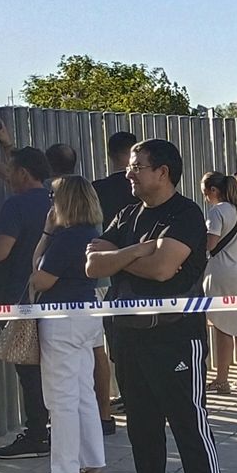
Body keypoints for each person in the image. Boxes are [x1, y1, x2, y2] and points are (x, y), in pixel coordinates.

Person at [86, 138, 227, 473]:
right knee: (142, 429)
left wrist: (124, 257)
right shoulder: (127, 215)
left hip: (174, 339)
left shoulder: (185, 215)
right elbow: (93, 263)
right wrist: (140, 249)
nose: (128, 173)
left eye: (137, 167)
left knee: (189, 426)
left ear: (162, 172)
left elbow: (165, 269)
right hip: (128, 336)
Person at [25, 175, 107, 473]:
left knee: (60, 397)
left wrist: (46, 233)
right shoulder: (89, 233)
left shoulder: (66, 237)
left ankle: (63, 472)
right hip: (86, 315)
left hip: (61, 318)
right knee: (82, 391)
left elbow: (40, 279)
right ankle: (92, 461)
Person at [0, 143, 54, 460]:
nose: (7, 177)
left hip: (21, 298)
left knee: (29, 370)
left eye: (11, 172)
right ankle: (60, 431)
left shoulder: (16, 206)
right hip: (58, 298)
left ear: (23, 173)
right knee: (57, 368)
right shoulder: (55, 200)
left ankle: (37, 434)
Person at [91, 131, 140, 421]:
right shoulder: (147, 189)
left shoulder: (98, 189)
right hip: (143, 265)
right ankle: (137, 393)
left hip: (109, 269)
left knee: (113, 335)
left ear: (109, 154)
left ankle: (124, 393)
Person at [201, 171, 237, 395]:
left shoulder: (218, 212)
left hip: (222, 272)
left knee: (222, 325)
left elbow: (210, 243)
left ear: (214, 191)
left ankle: (221, 378)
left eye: (205, 192)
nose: (205, 197)